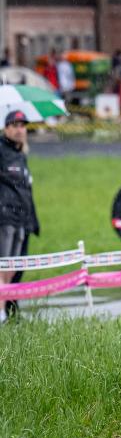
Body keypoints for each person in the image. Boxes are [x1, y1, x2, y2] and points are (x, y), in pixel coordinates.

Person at [0, 111, 39, 324]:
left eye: (22, 125)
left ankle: (6, 310)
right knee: (3, 266)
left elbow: (26, 189)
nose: (19, 129)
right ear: (6, 128)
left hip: (21, 219)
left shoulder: (21, 155)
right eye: (14, 125)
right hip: (4, 218)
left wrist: (32, 221)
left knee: (12, 269)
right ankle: (1, 313)